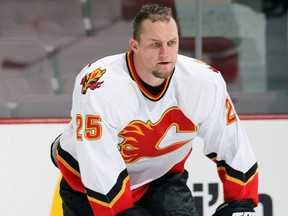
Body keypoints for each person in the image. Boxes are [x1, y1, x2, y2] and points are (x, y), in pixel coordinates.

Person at [50, 3, 258, 216]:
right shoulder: (100, 86)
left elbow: (232, 144)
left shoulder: (204, 82)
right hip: (86, 185)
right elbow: (99, 165)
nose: (165, 53)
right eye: (155, 44)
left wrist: (241, 204)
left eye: (172, 43)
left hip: (160, 178)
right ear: (135, 46)